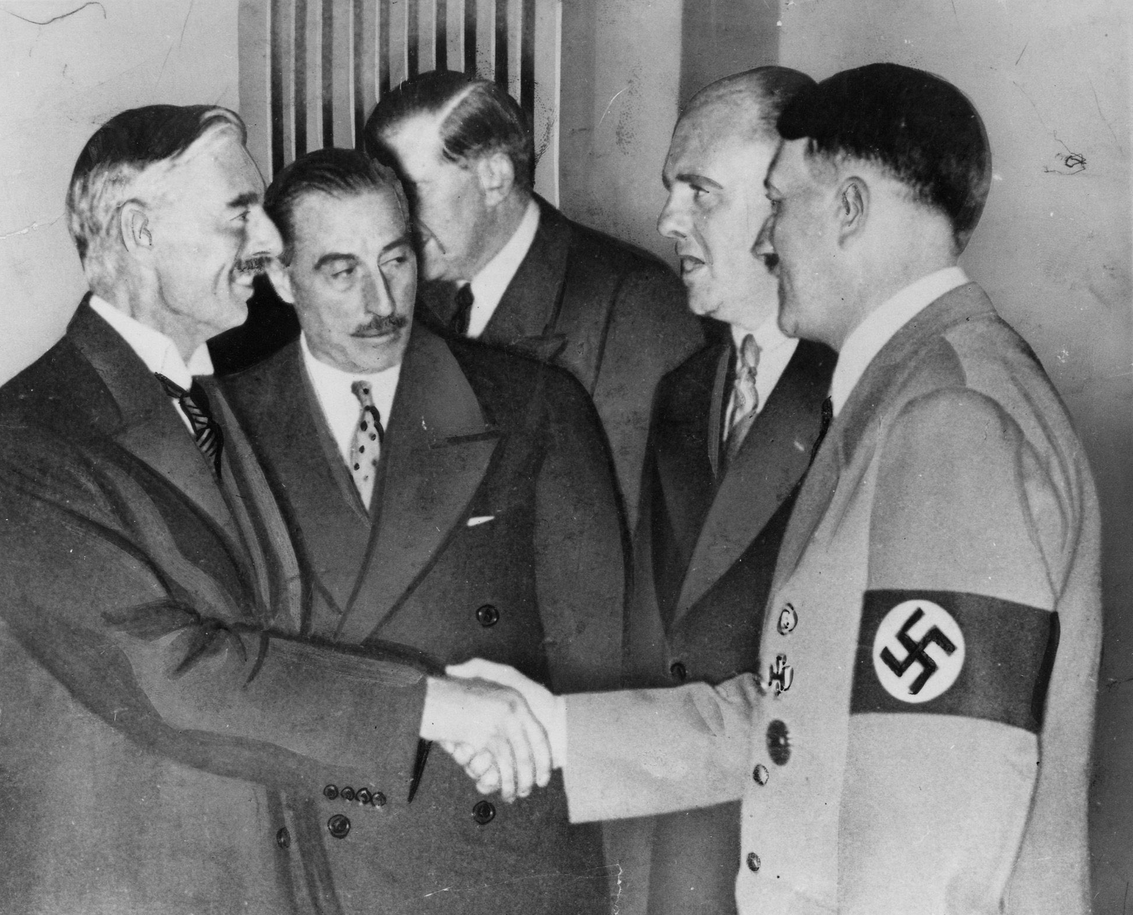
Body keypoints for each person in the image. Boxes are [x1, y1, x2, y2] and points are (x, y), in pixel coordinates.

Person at [451, 63, 1102, 915]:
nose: (770, 239)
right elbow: (798, 712)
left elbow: (930, 827)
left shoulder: (948, 415)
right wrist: (552, 725)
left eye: (781, 202)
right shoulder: (914, 389)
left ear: (850, 209)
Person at [0, 106, 561, 915]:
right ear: (138, 231)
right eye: (240, 213)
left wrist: (451, 708)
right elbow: (167, 676)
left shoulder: (208, 399)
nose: (269, 242)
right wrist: (431, 707)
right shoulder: (26, 437)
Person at [221, 148, 626, 915]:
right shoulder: (224, 424)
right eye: (342, 272)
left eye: (396, 260)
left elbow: (598, 666)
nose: (381, 301)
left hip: (491, 862)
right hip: (308, 865)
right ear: (282, 276)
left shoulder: (534, 404)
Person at [626, 66, 835, 915]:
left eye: (699, 192)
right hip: (689, 854)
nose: (668, 220)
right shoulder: (686, 390)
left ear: (784, 202)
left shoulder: (863, 396)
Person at [362, 70, 705, 526]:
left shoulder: (633, 304)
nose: (395, 220)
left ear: (494, 177)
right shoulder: (412, 294)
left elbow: (628, 529)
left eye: (410, 190)